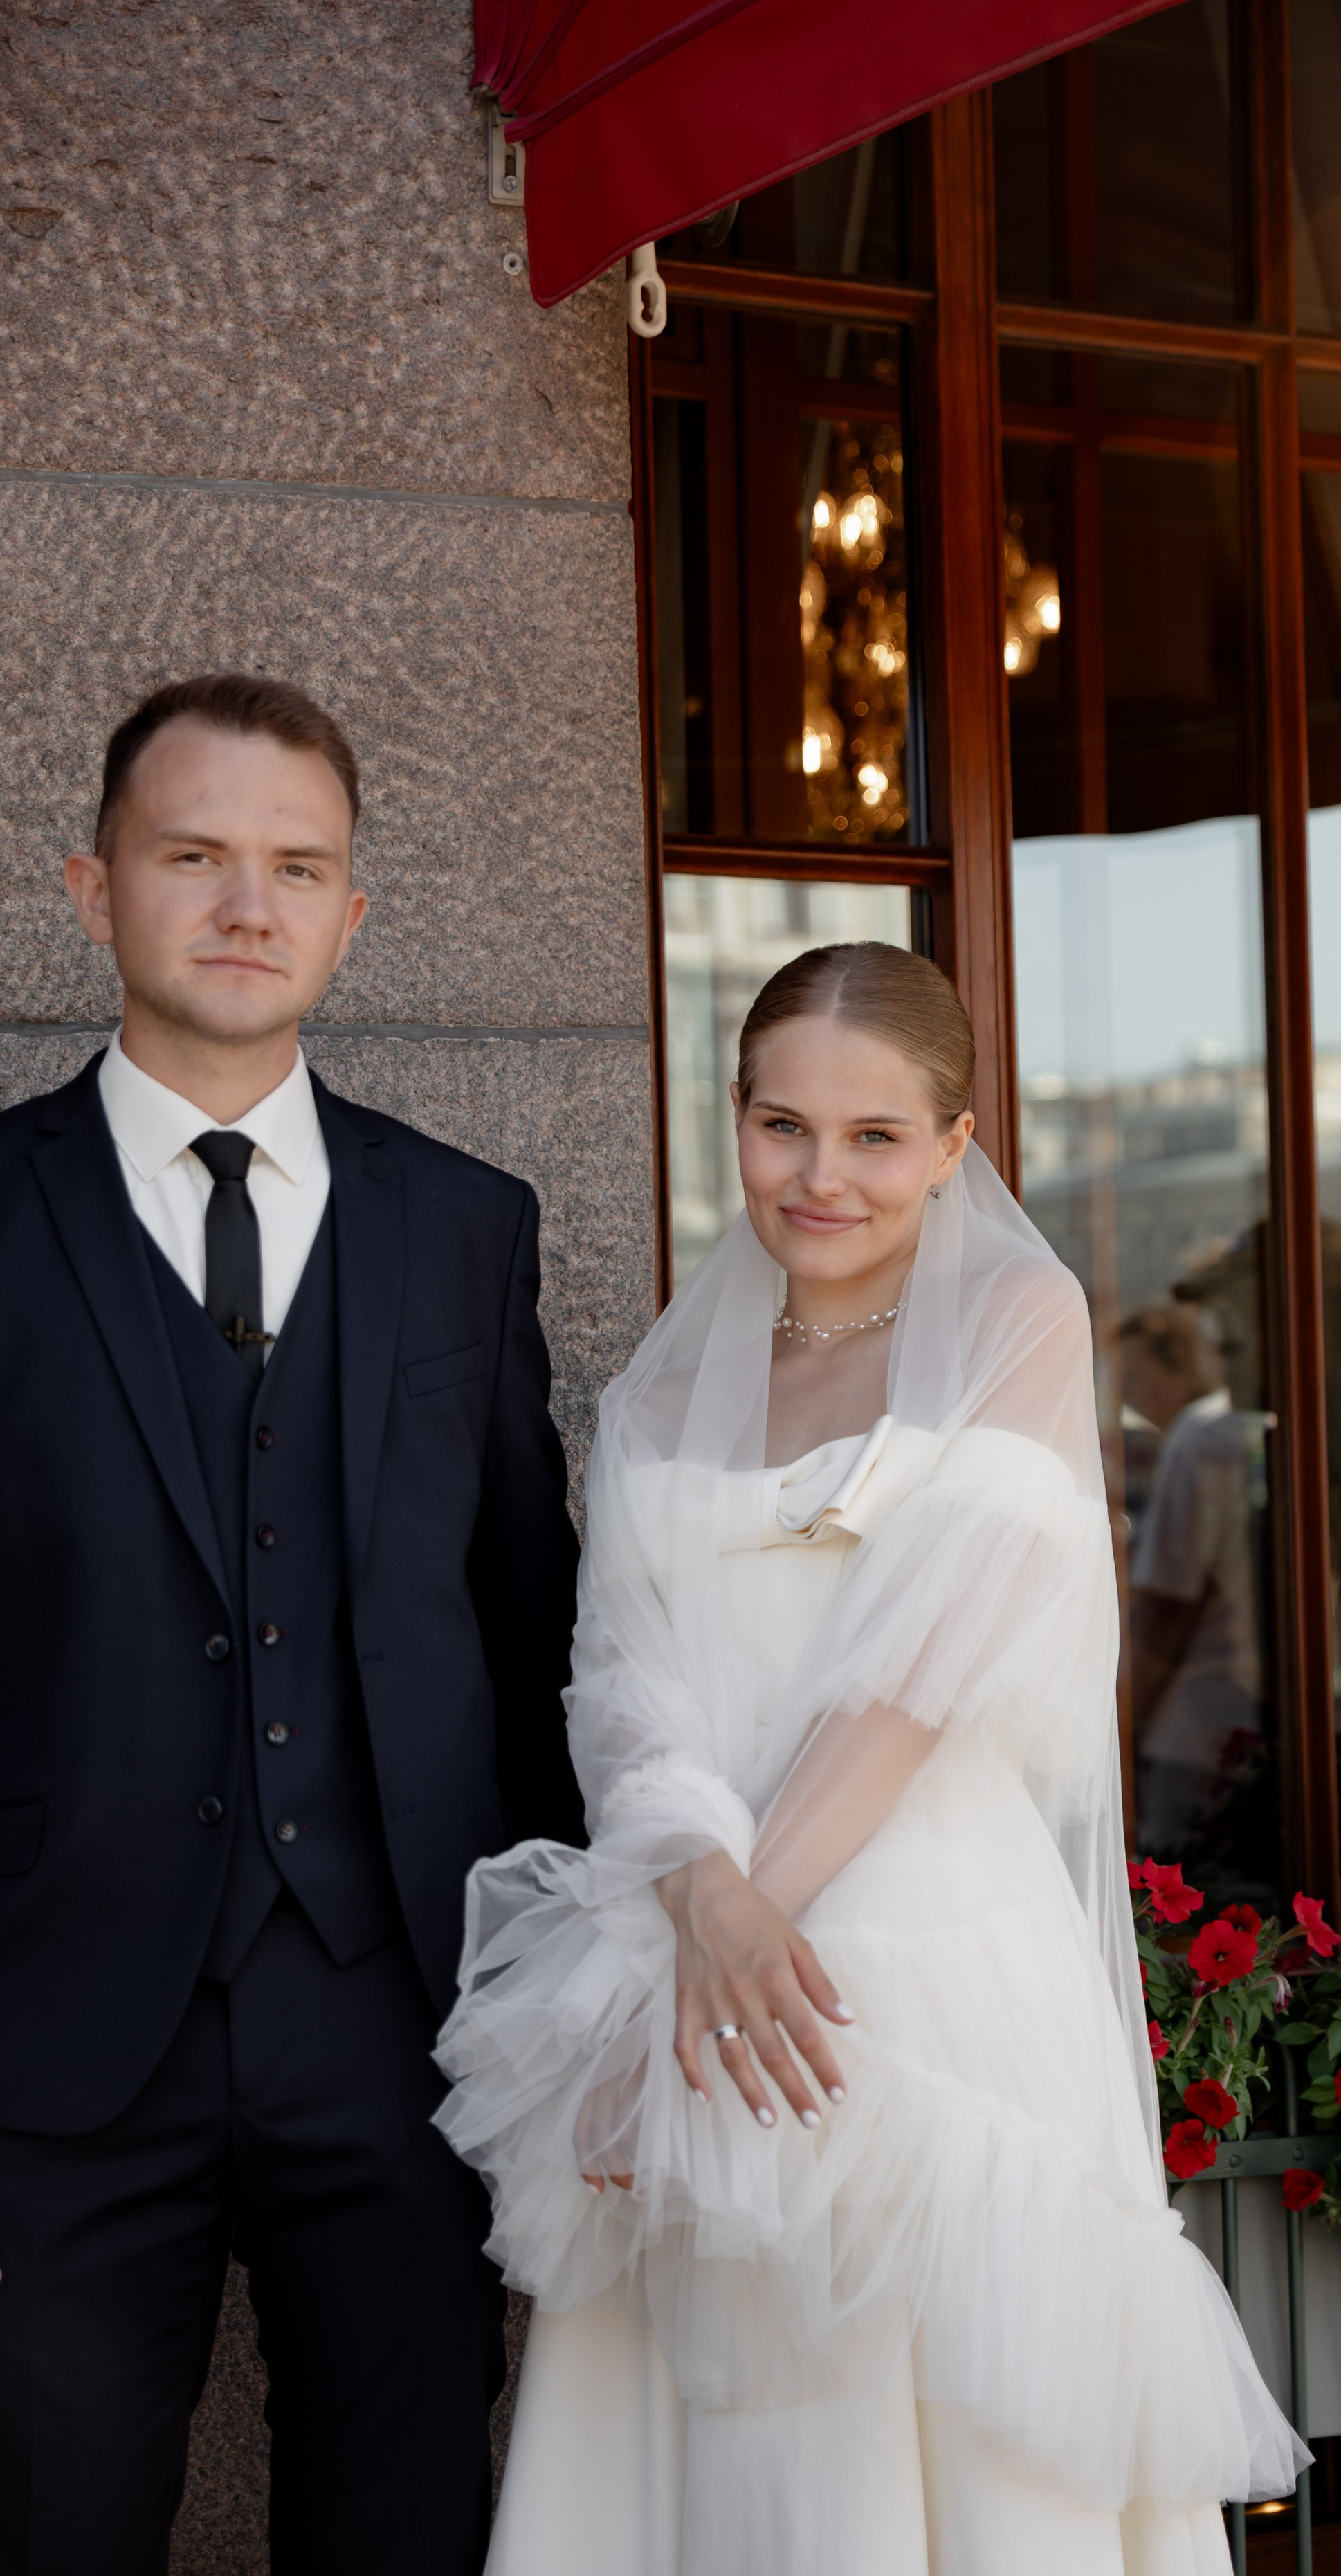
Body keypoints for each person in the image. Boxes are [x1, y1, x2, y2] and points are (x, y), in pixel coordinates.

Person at [437, 943, 1305, 2575]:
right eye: (780, 1127)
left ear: (954, 1143)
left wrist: (736, 1938)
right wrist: (696, 1904)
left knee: (963, 2449)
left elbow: (909, 1680)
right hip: (692, 1944)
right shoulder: (658, 1386)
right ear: (737, 1122)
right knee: (731, 2459)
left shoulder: (1018, 1324)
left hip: (926, 1973)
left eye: (874, 1137)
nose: (818, 1175)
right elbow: (618, 1685)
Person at [0, 675, 583, 2574]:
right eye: (194, 856)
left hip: (395, 2021)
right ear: (93, 887)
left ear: (352, 912)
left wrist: (562, 2009)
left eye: (295, 866)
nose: (246, 903)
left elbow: (529, 1618)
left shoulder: (466, 1227)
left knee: (410, 2528)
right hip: (52, 2035)